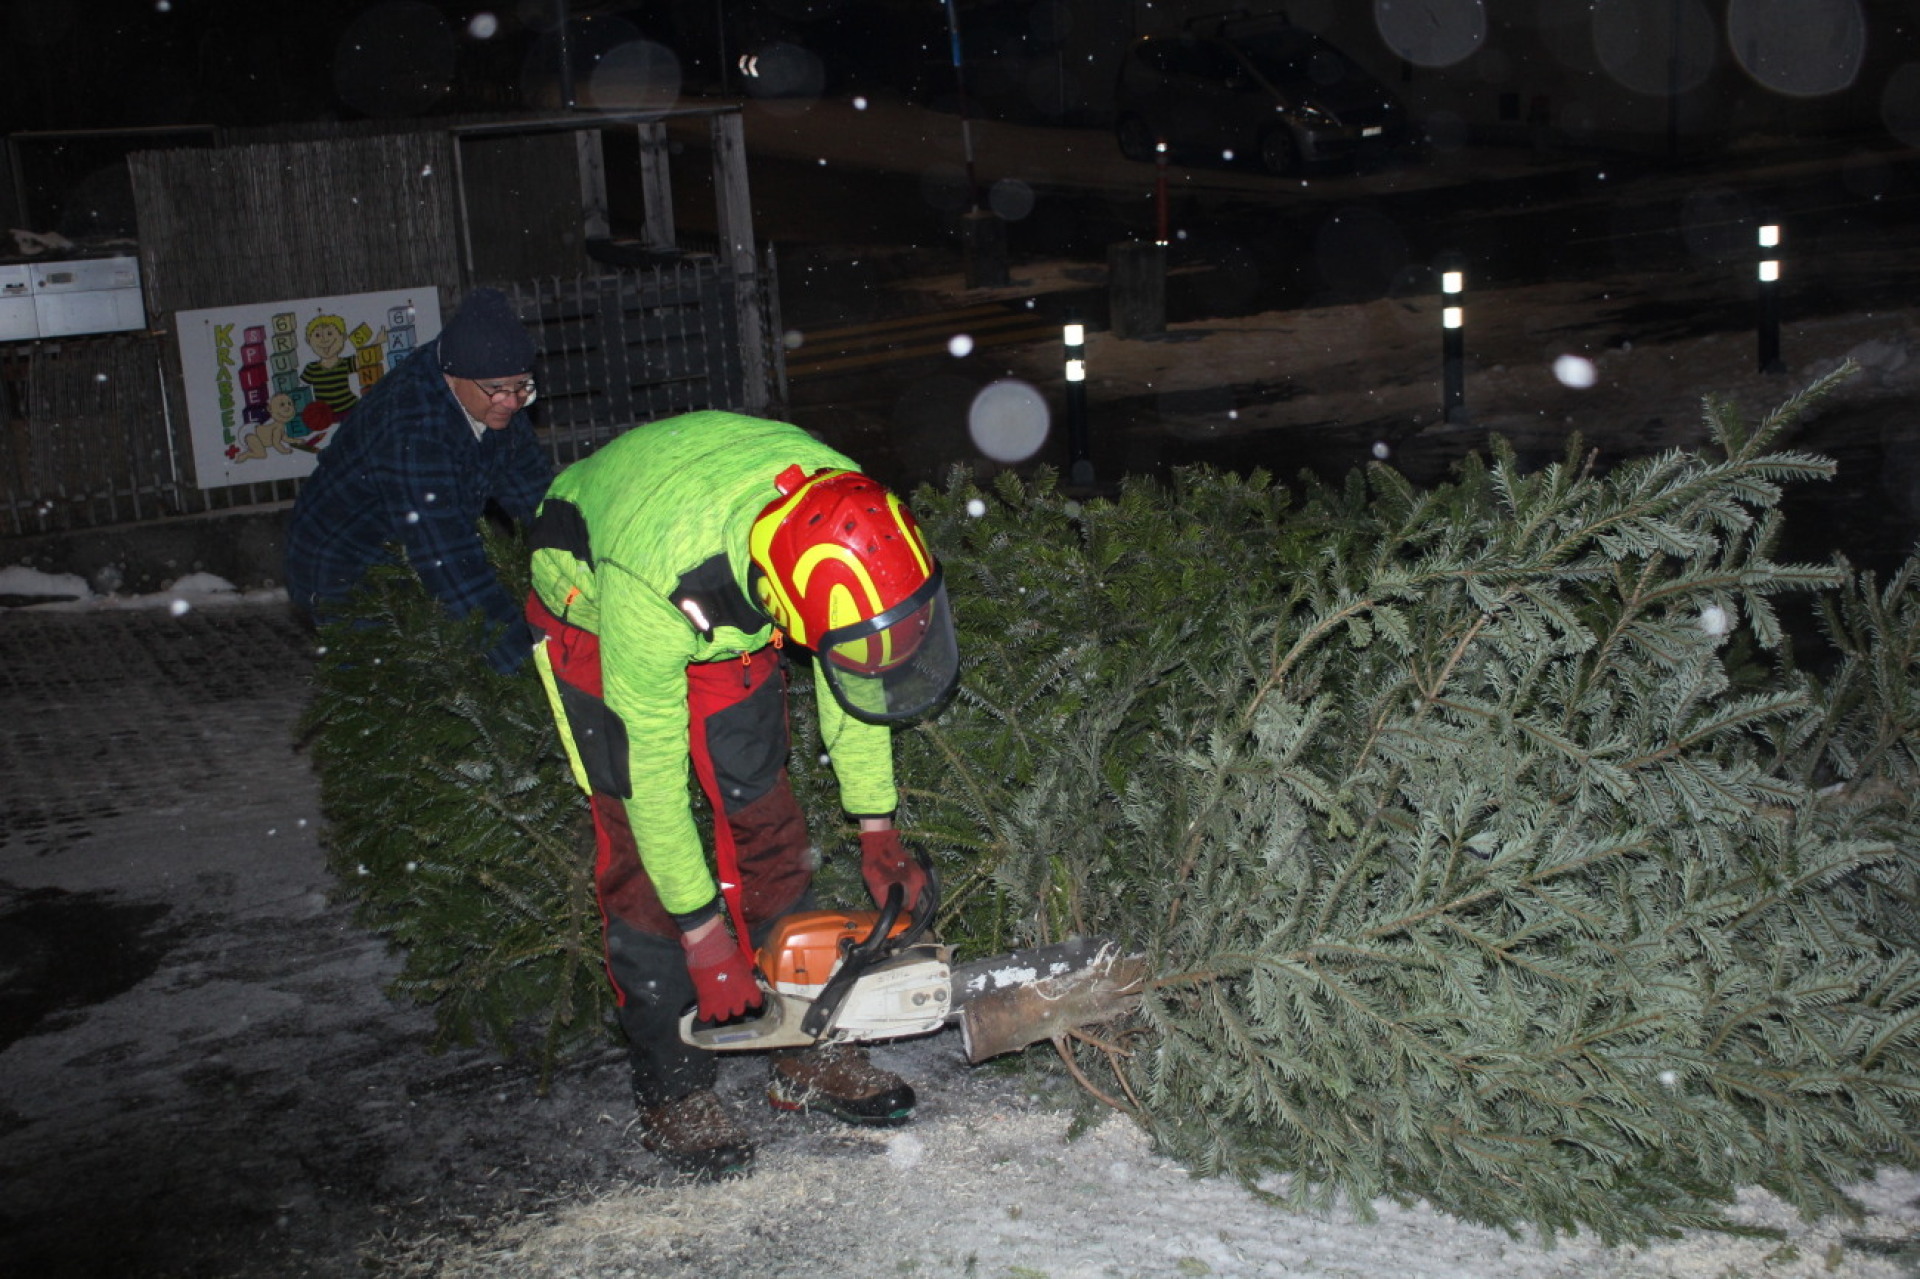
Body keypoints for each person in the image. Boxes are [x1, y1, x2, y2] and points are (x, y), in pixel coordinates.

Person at [525, 410, 960, 1179]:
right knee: (633, 836)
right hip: (600, 598)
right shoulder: (656, 587)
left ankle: (806, 1044)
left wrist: (877, 828)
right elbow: (655, 784)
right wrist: (704, 935)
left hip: (721, 577)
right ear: (782, 601)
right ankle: (672, 1087)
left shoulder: (845, 519)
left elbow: (853, 682)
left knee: (765, 811)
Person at [283, 288, 551, 673]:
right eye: (498, 390)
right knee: (401, 685)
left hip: (408, 552)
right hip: (343, 570)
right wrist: (531, 668)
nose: (512, 402)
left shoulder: (495, 394)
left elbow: (537, 500)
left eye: (523, 385)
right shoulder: (413, 429)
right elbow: (448, 564)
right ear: (454, 376)